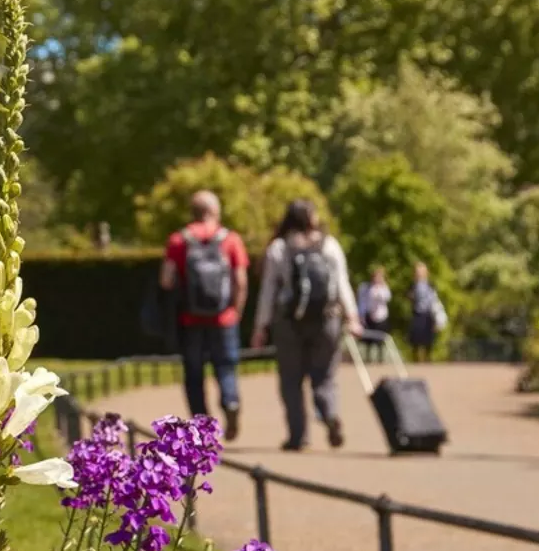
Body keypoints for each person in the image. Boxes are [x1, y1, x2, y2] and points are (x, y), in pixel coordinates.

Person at [252, 200, 363, 451]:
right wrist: (352, 317)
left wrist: (261, 326)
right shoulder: (329, 245)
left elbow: (268, 290)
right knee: (325, 376)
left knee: (291, 381)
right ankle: (330, 413)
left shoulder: (279, 248)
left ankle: (298, 436)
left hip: (289, 322)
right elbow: (342, 283)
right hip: (327, 319)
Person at [161, 190, 249, 439]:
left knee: (194, 373)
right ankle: (231, 402)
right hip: (224, 318)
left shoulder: (179, 240)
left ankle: (201, 428)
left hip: (190, 319)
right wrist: (236, 310)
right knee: (226, 367)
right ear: (214, 211)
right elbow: (240, 281)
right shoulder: (230, 239)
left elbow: (166, 280)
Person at [407, 261, 446, 363]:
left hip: (428, 314)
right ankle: (416, 359)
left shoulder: (430, 285)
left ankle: (428, 359)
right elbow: (409, 297)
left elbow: (434, 301)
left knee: (428, 339)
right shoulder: (413, 285)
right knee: (416, 338)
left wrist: (437, 318)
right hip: (417, 313)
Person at [356, 267, 392, 361]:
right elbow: (363, 302)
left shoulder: (384, 288)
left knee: (380, 339)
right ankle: (368, 359)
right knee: (368, 340)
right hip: (369, 316)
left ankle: (381, 359)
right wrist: (361, 315)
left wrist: (381, 286)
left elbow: (387, 298)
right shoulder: (366, 288)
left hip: (381, 316)